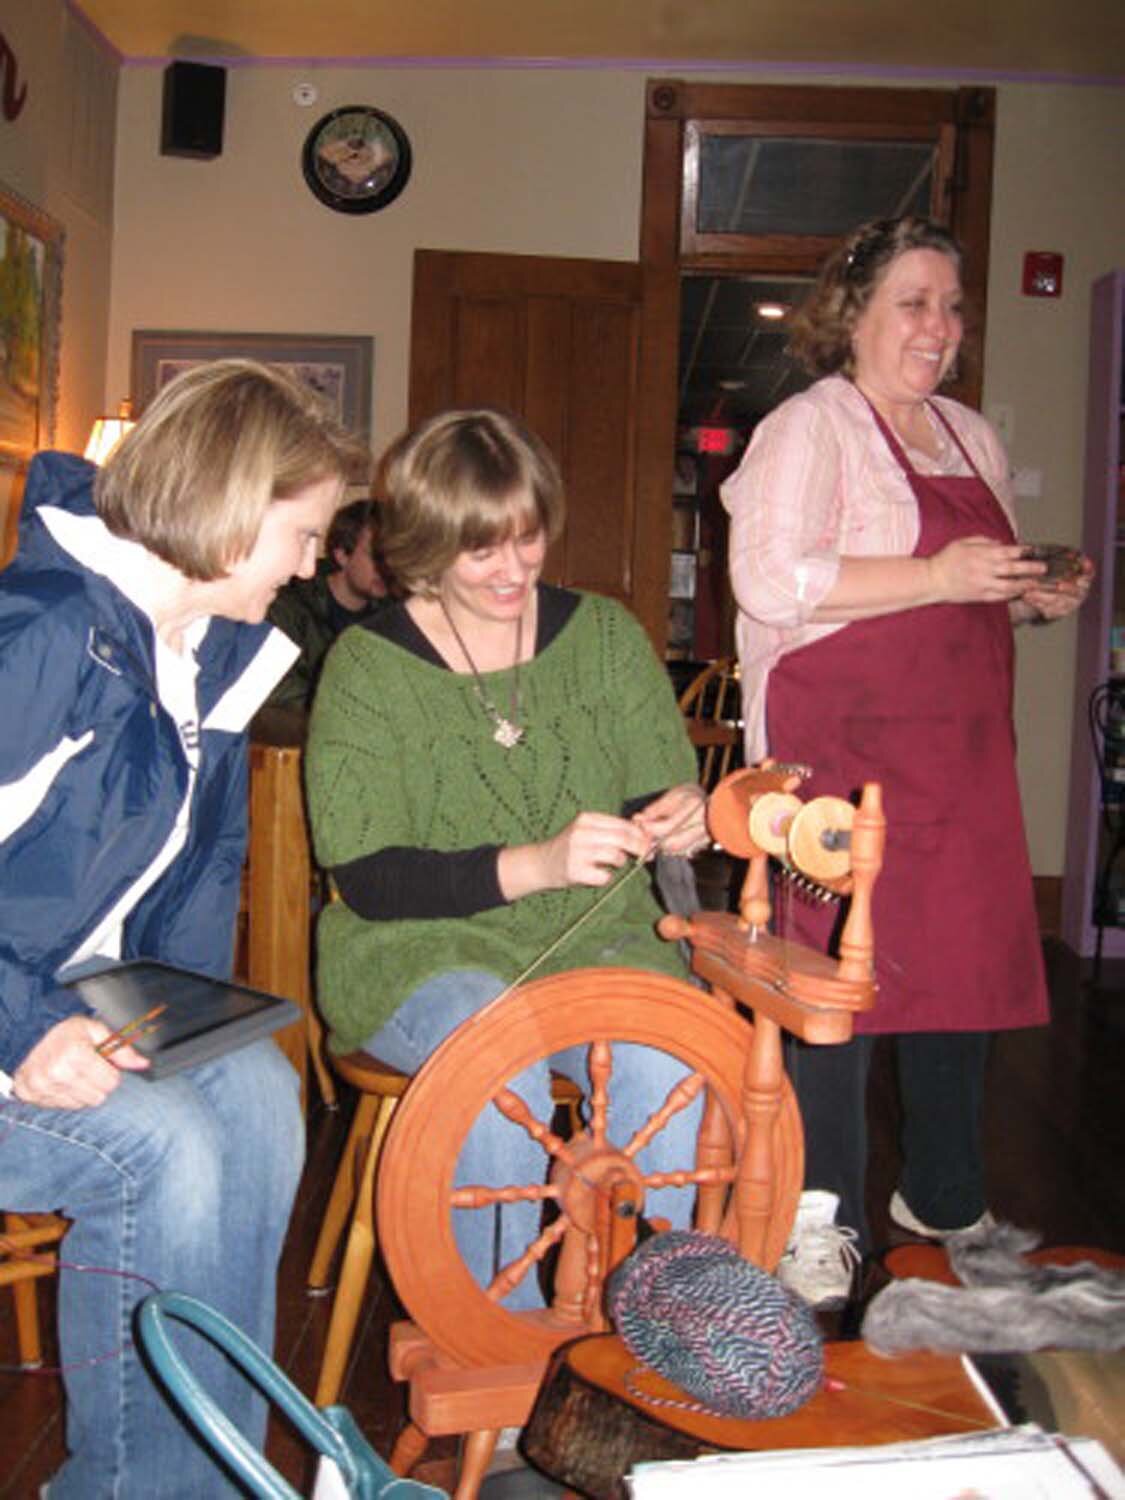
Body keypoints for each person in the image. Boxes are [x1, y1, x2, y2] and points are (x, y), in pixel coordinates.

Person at [0, 360, 360, 1497]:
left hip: (71, 1000)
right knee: (167, 1150)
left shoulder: (212, 656)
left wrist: (182, 1026)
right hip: (12, 1019)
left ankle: (213, 1469)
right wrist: (19, 1033)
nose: (312, 562)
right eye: (303, 533)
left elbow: (202, 879)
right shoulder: (49, 636)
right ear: (228, 505)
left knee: (254, 1093)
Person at [721, 216, 1092, 1307]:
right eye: (914, 304)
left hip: (964, 754)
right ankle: (818, 1215)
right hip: (846, 745)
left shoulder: (970, 437)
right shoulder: (808, 428)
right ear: (855, 315)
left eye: (952, 307)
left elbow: (967, 585)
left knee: (959, 979)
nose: (939, 327)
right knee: (838, 983)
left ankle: (943, 1195)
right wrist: (936, 573)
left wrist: (1029, 594)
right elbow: (770, 580)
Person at [305, 408, 709, 1305]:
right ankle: (494, 1335)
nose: (513, 570)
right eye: (481, 551)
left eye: (526, 539)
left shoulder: (603, 637)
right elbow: (368, 875)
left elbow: (659, 791)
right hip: (418, 951)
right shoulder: (367, 669)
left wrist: (684, 816)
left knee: (673, 1056)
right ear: (421, 544)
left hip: (598, 940)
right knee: (498, 1055)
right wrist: (536, 863)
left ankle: (649, 1320)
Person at [267, 497, 389, 706]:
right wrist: (347, 707)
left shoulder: (395, 612)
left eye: (394, 555)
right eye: (376, 556)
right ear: (342, 555)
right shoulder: (289, 608)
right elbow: (274, 692)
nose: (388, 567)